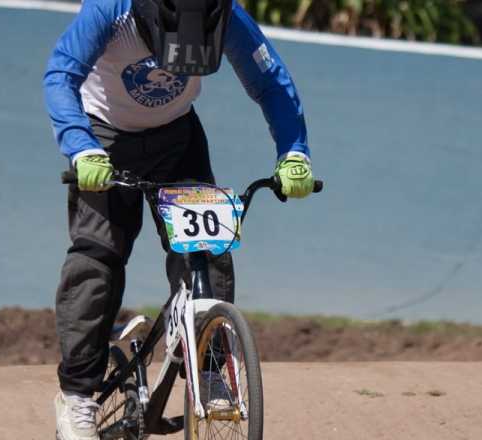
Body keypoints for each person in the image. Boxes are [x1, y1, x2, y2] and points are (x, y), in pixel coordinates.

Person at [42, 0, 315, 438]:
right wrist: (80, 146)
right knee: (96, 260)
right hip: (105, 139)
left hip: (177, 136)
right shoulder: (112, 10)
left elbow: (270, 81)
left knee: (209, 249)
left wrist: (294, 150)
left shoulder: (224, 12)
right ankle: (77, 398)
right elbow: (61, 75)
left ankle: (209, 370)